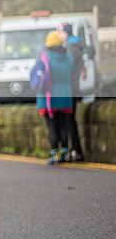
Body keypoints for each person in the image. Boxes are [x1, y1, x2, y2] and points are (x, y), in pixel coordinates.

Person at [37, 31, 75, 165]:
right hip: (65, 95)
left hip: (49, 97)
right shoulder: (69, 57)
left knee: (52, 127)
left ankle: (54, 154)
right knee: (63, 126)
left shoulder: (45, 56)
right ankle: (64, 153)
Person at [57, 23, 85, 162]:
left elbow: (67, 70)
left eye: (59, 32)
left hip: (70, 89)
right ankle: (74, 150)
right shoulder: (73, 46)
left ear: (65, 33)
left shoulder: (71, 48)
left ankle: (75, 151)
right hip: (72, 89)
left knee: (69, 121)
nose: (58, 35)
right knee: (69, 121)